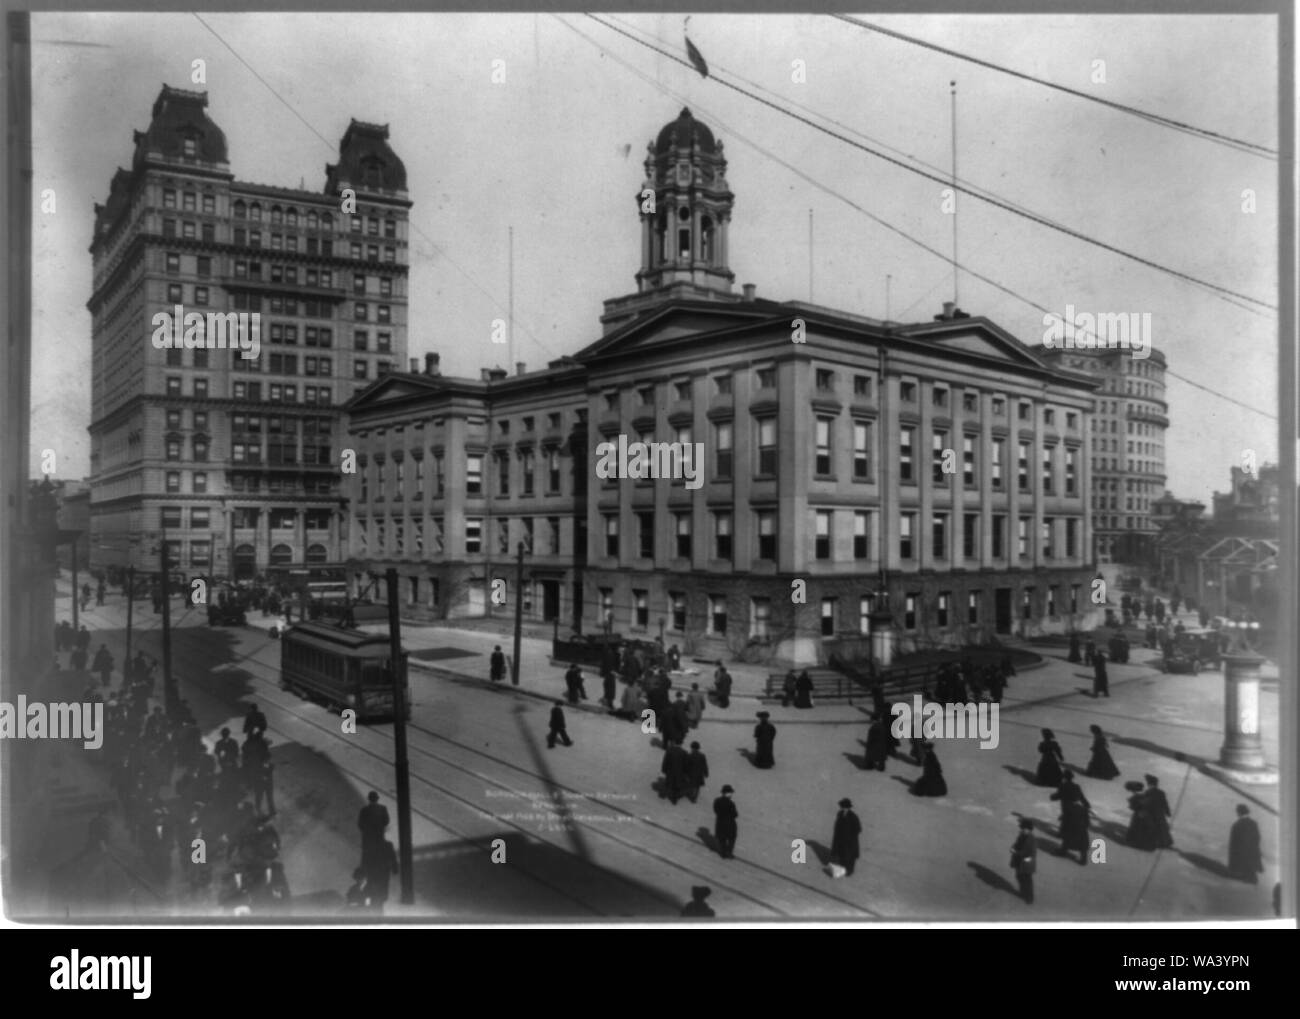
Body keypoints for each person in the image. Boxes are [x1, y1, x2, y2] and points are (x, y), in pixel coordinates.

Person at [1051, 771, 1091, 865]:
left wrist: (1052, 797)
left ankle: (1063, 850)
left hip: (1067, 809)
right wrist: (1087, 805)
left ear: (1064, 778)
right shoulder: (1077, 787)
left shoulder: (1063, 786)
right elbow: (1082, 797)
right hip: (1080, 822)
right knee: (1081, 841)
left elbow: (1058, 795)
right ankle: (1083, 858)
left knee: (1067, 832)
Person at [1228, 805, 1263, 884]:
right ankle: (1253, 879)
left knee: (1243, 871)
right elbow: (1257, 838)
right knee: (1251, 870)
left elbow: (1233, 844)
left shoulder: (1236, 825)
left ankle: (1247, 879)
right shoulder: (1254, 823)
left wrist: (1231, 865)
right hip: (1252, 853)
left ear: (1239, 813)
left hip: (1241, 855)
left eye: (1237, 812)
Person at [363, 838, 399, 915]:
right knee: (381, 892)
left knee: (374, 892)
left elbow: (366, 859)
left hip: (374, 872)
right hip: (383, 872)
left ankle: (374, 909)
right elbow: (392, 857)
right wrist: (394, 868)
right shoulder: (387, 845)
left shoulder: (371, 845)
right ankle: (379, 910)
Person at [831, 798, 862, 876]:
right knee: (842, 854)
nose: (843, 809)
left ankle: (850, 871)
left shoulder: (853, 817)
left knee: (850, 857)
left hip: (850, 842)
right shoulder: (840, 813)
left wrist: (850, 836)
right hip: (841, 839)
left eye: (844, 807)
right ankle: (842, 868)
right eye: (842, 807)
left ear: (848, 808)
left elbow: (858, 829)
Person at [1011, 818, 1037, 904]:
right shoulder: (1022, 835)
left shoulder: (1030, 839)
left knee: (1027, 880)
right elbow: (1017, 843)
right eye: (1022, 828)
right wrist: (1013, 847)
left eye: (1024, 829)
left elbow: (1026, 852)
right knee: (1019, 877)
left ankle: (1029, 897)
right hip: (1021, 861)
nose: (1022, 830)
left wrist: (1015, 852)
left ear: (1029, 829)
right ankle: (1024, 892)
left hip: (1026, 863)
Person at [359, 791, 390, 863]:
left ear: (369, 799)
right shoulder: (383, 808)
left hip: (368, 838)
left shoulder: (364, 810)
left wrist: (366, 831)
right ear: (377, 799)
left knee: (367, 856)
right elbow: (386, 821)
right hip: (379, 836)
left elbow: (360, 824)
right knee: (379, 855)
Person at [1125, 780, 1157, 850]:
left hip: (1140, 814)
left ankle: (1137, 843)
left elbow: (1133, 806)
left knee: (1138, 827)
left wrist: (1132, 802)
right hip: (1147, 815)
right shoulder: (1145, 794)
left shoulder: (1136, 797)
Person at [1145, 775, 1173, 848]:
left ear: (1150, 784)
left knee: (1153, 827)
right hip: (1160, 814)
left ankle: (1154, 842)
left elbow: (1146, 804)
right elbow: (1165, 803)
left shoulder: (1148, 792)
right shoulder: (1161, 792)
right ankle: (1164, 842)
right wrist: (1168, 812)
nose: (1148, 785)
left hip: (1151, 814)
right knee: (1162, 828)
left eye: (1149, 784)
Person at [661, 740, 690, 804]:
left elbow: (665, 761)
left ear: (674, 743)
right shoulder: (684, 752)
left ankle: (664, 794)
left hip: (670, 771)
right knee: (676, 785)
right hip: (679, 772)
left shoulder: (669, 751)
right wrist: (686, 773)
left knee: (669, 783)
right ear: (681, 744)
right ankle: (674, 799)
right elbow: (686, 764)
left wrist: (664, 769)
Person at [713, 785, 738, 859]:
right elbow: (735, 814)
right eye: (730, 793)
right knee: (731, 839)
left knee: (722, 839)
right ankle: (729, 853)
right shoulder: (731, 804)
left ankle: (723, 853)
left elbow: (715, 810)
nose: (731, 795)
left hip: (720, 823)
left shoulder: (717, 801)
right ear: (728, 793)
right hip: (730, 824)